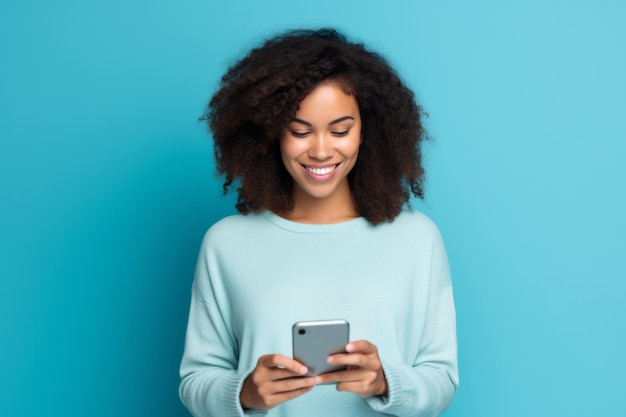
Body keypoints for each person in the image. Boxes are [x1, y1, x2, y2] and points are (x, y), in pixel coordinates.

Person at [179, 28, 458, 417]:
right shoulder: (225, 243)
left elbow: (442, 379)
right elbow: (196, 380)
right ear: (272, 133)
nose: (322, 150)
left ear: (367, 131)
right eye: (299, 131)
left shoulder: (417, 239)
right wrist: (244, 392)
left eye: (340, 130)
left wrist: (384, 382)